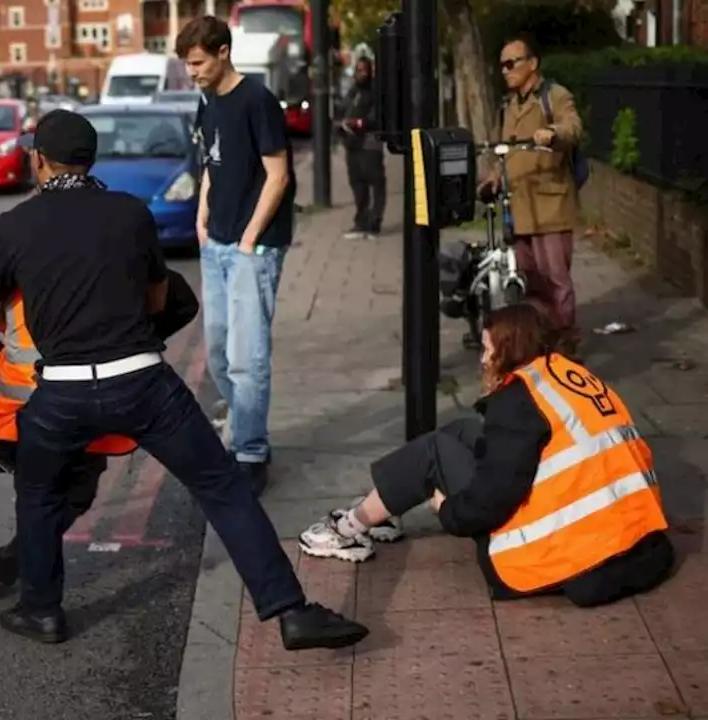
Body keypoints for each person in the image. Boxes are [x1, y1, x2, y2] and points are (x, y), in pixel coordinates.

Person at [0, 108, 366, 651]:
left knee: (38, 493)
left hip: (61, 389)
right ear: (91, 160)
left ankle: (41, 610)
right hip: (142, 383)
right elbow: (159, 299)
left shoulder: (12, 225)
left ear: (39, 159)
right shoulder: (130, 213)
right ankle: (290, 611)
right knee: (221, 485)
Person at [298, 304, 674, 607]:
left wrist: (448, 511)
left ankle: (347, 529)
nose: (482, 359)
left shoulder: (518, 402)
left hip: (570, 554)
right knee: (462, 431)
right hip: (636, 543)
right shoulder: (566, 374)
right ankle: (386, 509)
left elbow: (491, 504)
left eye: (487, 349)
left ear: (508, 350)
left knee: (433, 450)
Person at [0, 271, 199, 600]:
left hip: (14, 416)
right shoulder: (118, 254)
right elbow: (182, 302)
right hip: (86, 417)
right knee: (76, 492)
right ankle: (2, 567)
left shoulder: (17, 253)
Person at [178, 16, 296, 494]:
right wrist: (202, 217)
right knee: (222, 352)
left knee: (248, 357)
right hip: (216, 243)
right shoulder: (207, 102)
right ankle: (245, 428)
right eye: (187, 65)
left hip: (254, 248)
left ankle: (250, 451)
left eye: (198, 62)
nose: (192, 72)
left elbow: (278, 174)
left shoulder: (258, 101)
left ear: (223, 51)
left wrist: (249, 237)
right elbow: (212, 162)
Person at [479, 33, 584, 356]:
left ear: (533, 64)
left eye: (512, 63)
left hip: (550, 205)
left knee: (556, 281)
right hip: (520, 206)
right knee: (529, 280)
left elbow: (574, 127)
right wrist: (495, 176)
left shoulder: (554, 96)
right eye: (502, 65)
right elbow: (507, 152)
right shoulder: (509, 105)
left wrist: (552, 133)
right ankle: (541, 343)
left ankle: (566, 344)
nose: (505, 70)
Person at [339, 56, 385, 240]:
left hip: (369, 143)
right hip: (352, 144)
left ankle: (374, 224)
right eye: (357, 70)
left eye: (363, 70)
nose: (360, 74)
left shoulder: (374, 91)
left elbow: (378, 117)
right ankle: (361, 222)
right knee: (357, 184)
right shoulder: (353, 91)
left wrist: (359, 123)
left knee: (375, 182)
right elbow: (344, 109)